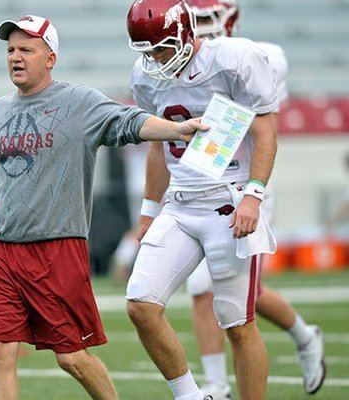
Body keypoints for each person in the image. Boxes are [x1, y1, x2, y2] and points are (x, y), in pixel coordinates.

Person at [0, 14, 207, 400]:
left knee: (71, 357)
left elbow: (130, 122)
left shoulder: (78, 102)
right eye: (10, 49)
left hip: (54, 250)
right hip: (1, 253)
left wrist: (177, 129)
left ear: (50, 57)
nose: (15, 56)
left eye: (26, 49)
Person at [125, 0, 280, 399]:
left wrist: (253, 196)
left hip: (228, 200)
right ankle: (193, 395)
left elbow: (265, 130)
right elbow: (157, 146)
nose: (155, 59)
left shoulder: (233, 59)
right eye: (147, 51)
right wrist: (147, 211)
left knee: (237, 324)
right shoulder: (146, 78)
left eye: (160, 47)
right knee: (140, 303)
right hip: (179, 203)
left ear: (186, 33)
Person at [181, 1, 325, 398]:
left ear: (230, 19)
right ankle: (216, 385)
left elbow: (252, 120)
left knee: (247, 293)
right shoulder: (187, 60)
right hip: (205, 181)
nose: (204, 29)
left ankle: (304, 335)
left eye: (209, 19)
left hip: (249, 183)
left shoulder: (259, 55)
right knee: (201, 287)